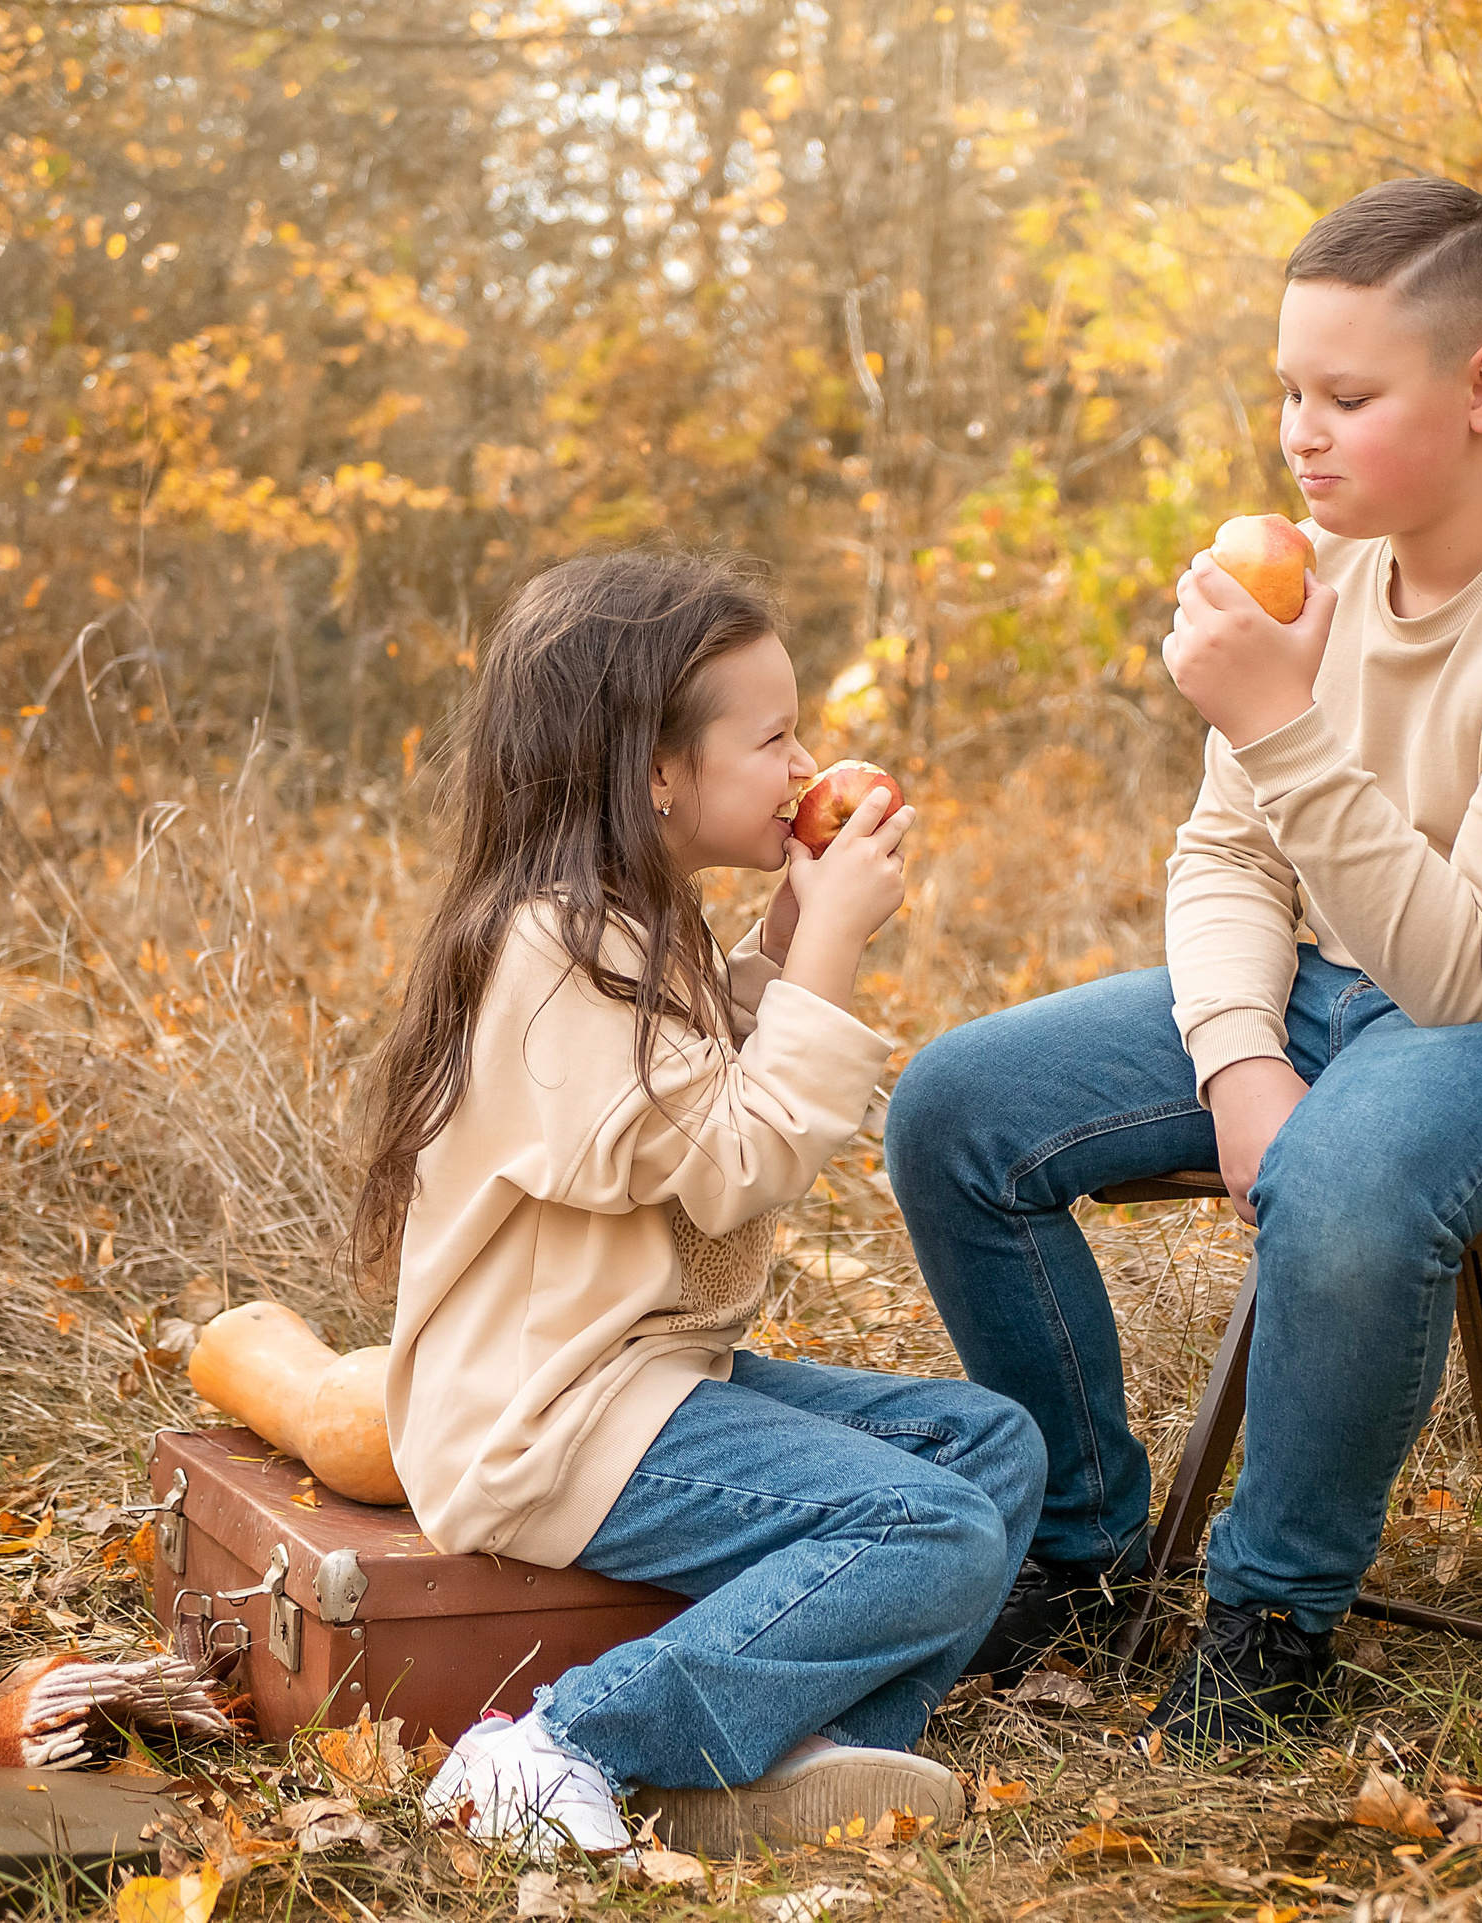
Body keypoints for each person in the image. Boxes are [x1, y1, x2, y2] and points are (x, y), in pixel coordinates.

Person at [886, 175, 1482, 1752]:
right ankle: (1084, 1555)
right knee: (954, 1107)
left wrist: (1274, 719)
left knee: (1347, 1182)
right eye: (1289, 389)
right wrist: (1240, 1052)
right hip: (1345, 996)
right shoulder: (1323, 575)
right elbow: (1230, 856)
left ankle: (1273, 1622)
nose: (1300, 433)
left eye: (1348, 396)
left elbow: (1475, 967)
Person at [357, 550, 1043, 1857]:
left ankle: (799, 1755)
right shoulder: (552, 952)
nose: (803, 769)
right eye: (774, 737)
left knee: (988, 1450)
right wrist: (831, 948)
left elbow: (677, 1095)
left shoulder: (617, 921)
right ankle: (563, 1746)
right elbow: (735, 1158)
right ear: (655, 772)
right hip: (546, 1417)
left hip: (638, 1378)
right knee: (935, 1525)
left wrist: (783, 942)